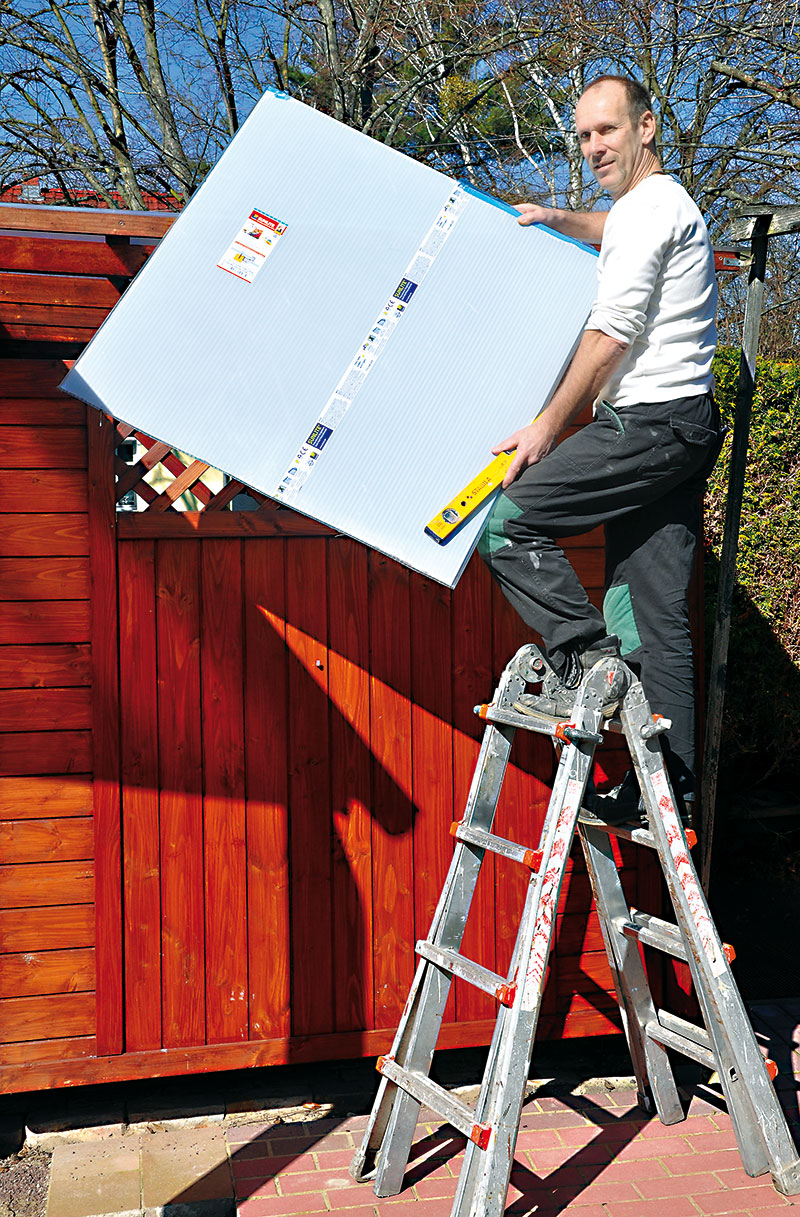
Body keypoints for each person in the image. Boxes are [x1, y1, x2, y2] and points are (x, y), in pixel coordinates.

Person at [478, 74, 723, 819]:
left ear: (646, 127)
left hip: (647, 423)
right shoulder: (649, 207)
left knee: (508, 520)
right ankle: (668, 792)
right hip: (686, 425)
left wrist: (551, 422)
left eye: (607, 131)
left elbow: (612, 330)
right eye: (584, 137)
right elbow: (614, 227)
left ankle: (591, 662)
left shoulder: (648, 210)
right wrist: (557, 216)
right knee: (655, 612)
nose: (593, 147)